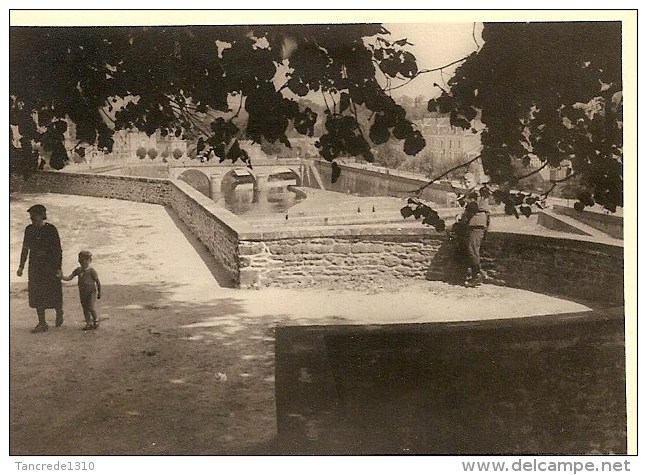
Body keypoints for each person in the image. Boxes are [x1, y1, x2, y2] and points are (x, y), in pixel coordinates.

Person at [17, 204, 64, 333]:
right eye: (31, 216)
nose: (32, 218)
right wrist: (21, 266)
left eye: (34, 216)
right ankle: (42, 323)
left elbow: (58, 250)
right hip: (35, 266)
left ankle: (59, 312)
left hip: (50, 265)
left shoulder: (51, 229)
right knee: (37, 293)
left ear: (42, 216)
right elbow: (25, 248)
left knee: (54, 291)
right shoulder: (29, 229)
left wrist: (58, 268)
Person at [60, 251, 102, 331]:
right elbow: (69, 278)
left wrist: (99, 292)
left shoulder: (92, 271)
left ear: (90, 260)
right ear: (79, 261)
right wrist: (61, 277)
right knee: (85, 308)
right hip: (82, 293)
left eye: (86, 260)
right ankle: (88, 322)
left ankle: (96, 320)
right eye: (82, 260)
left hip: (91, 292)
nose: (84, 262)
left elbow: (98, 282)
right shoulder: (78, 270)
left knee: (90, 307)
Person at [458, 188, 491, 287]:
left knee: (472, 250)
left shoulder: (477, 196)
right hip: (476, 224)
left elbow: (471, 208)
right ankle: (475, 274)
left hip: (477, 225)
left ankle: (477, 275)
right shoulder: (477, 196)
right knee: (472, 250)